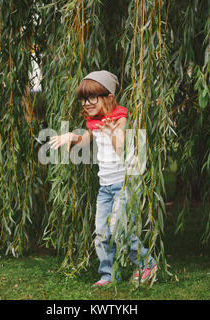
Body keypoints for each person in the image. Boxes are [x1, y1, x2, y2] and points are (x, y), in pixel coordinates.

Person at [49, 70, 157, 287]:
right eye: (83, 98)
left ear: (108, 97)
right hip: (105, 187)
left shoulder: (120, 117)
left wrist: (112, 134)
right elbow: (83, 142)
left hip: (124, 185)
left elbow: (124, 151)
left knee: (122, 229)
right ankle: (108, 275)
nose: (86, 103)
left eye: (91, 97)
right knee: (101, 232)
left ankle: (147, 263)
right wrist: (71, 137)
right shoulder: (94, 122)